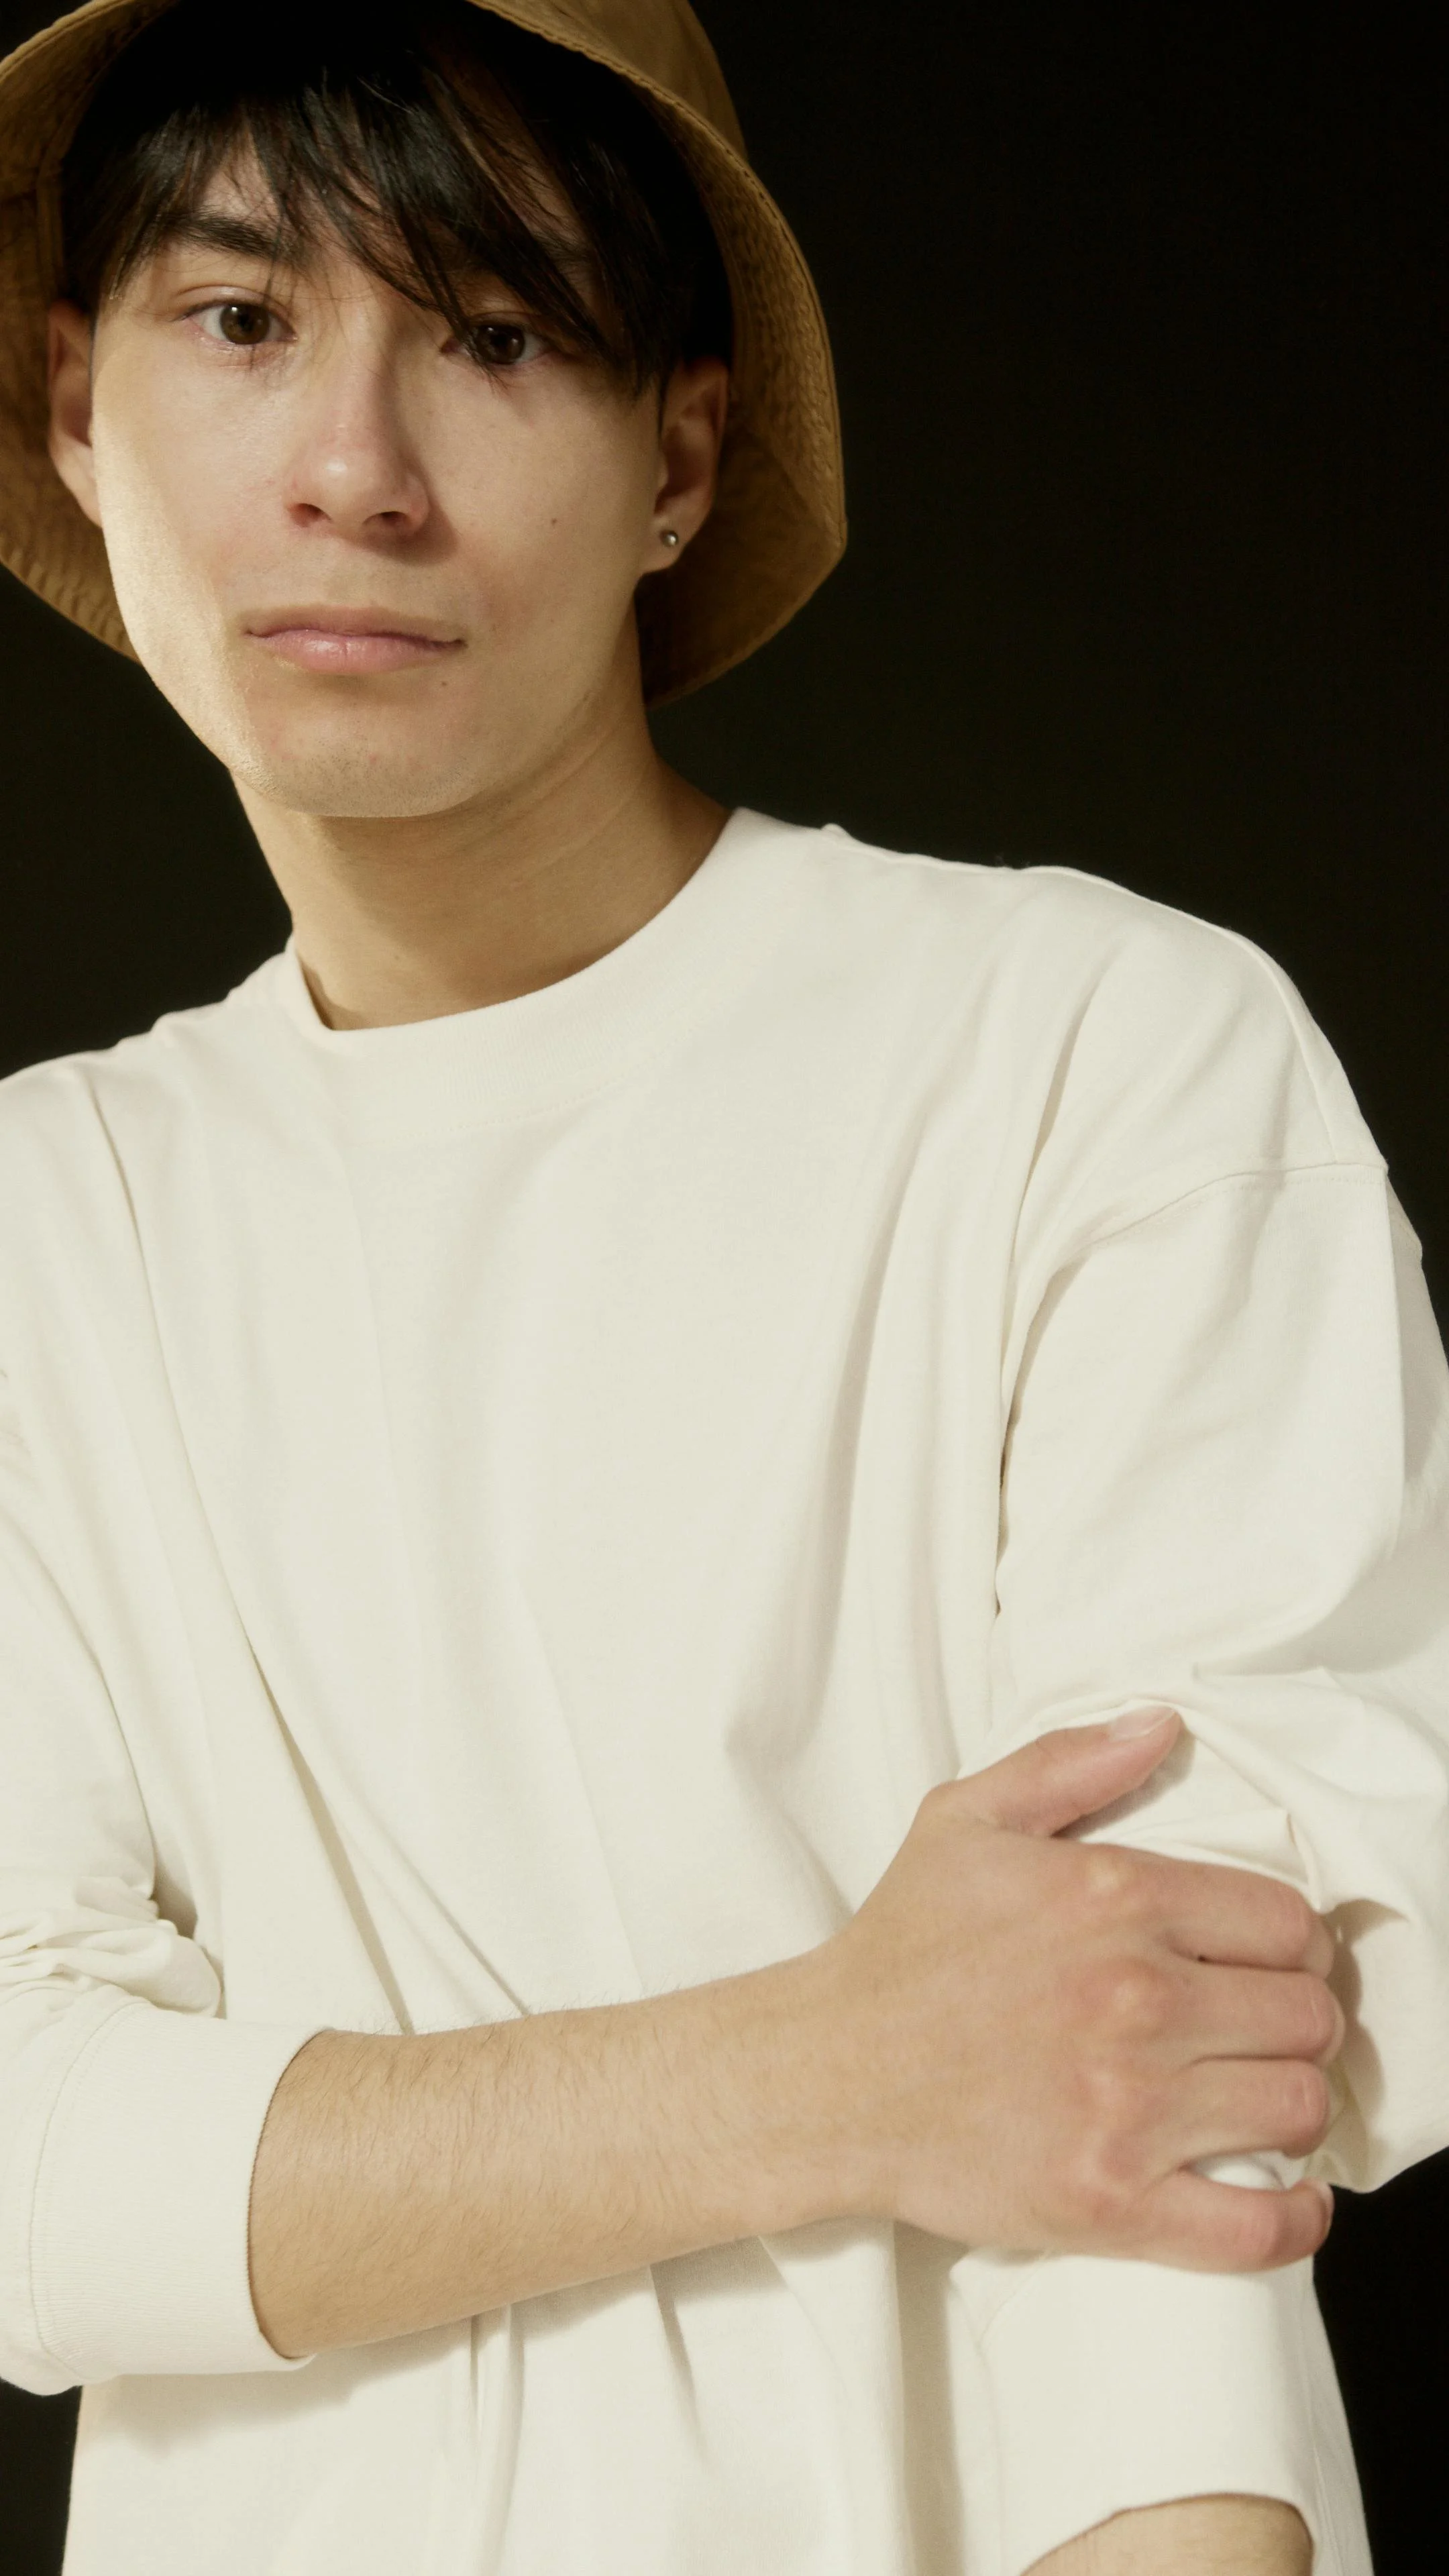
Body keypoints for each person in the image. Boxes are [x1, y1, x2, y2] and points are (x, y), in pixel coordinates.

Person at [0, 0, 1446, 2569]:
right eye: (239, 319)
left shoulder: (1092, 1055)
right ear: (74, 407)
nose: (353, 467)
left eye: (494, 335)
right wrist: (844, 2066)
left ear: (678, 458)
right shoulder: (49, 1226)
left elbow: (1164, 2073)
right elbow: (28, 2174)